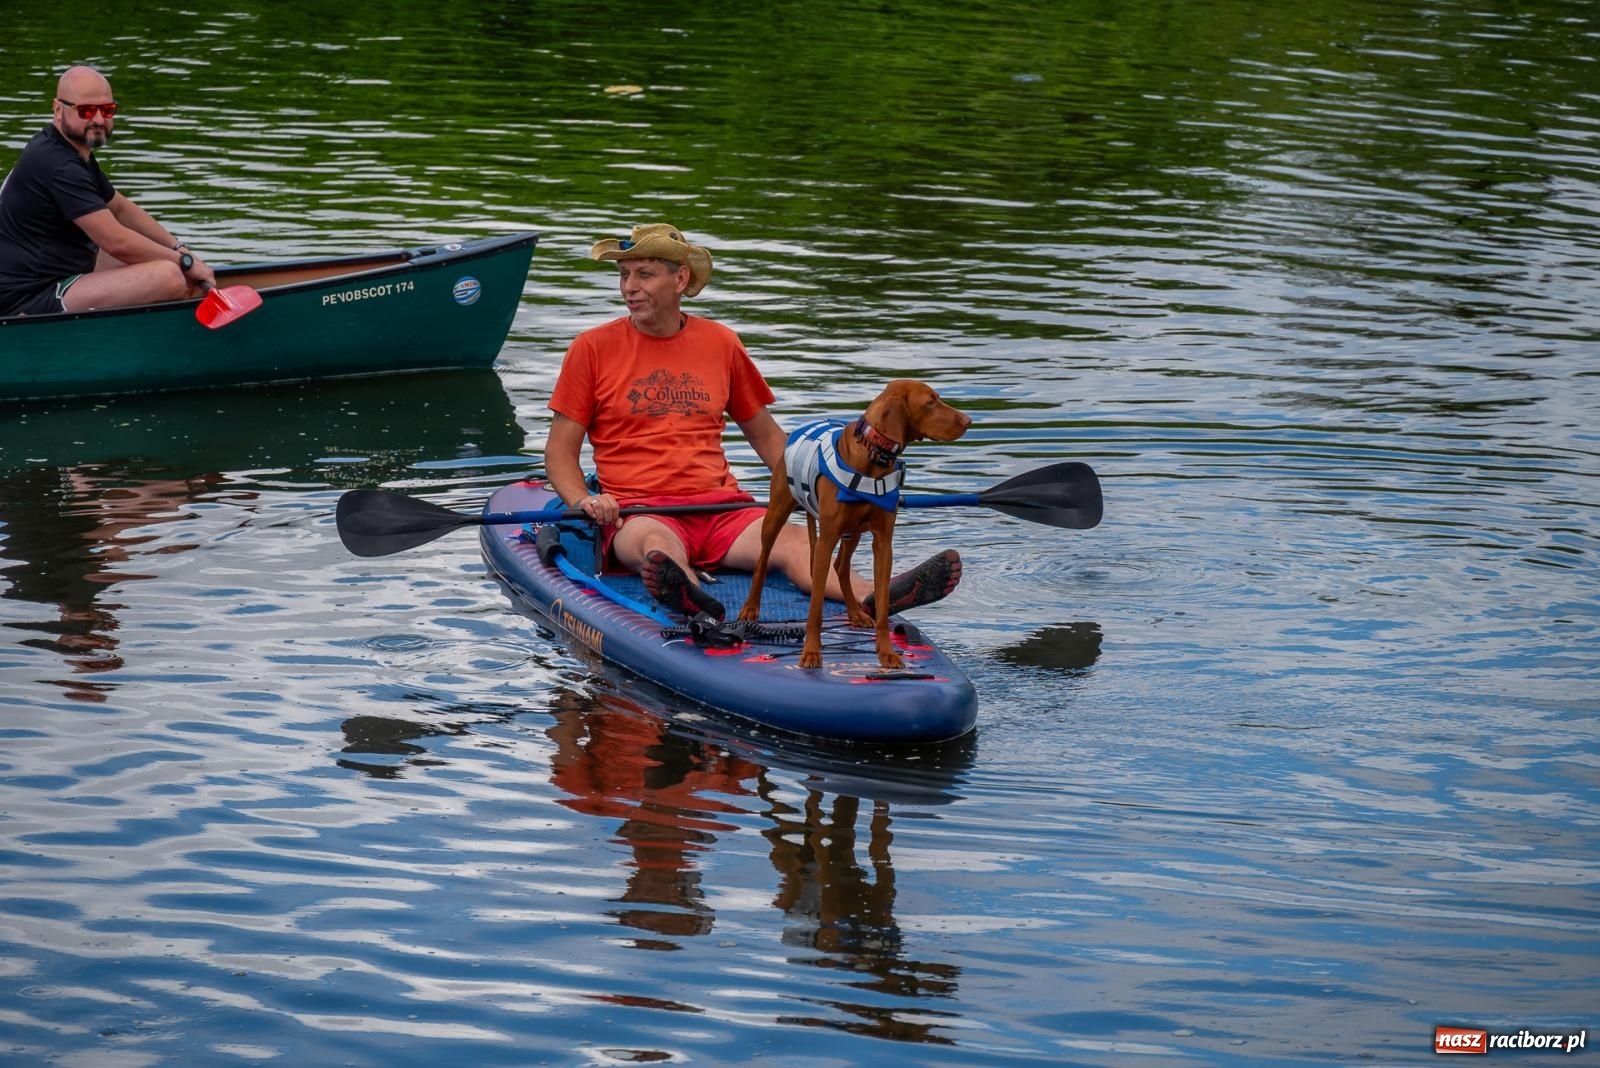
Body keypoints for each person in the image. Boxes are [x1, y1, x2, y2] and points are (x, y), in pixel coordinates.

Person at [543, 222, 961, 619]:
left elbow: (768, 438)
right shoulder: (591, 348)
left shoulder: (720, 343)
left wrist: (834, 484)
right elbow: (560, 453)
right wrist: (585, 501)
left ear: (681, 280)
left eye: (645, 275)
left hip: (723, 510)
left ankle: (877, 597)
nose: (630, 288)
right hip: (642, 512)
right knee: (657, 549)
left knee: (797, 540)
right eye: (624, 275)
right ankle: (696, 604)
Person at [0, 64, 217, 318]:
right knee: (168, 275)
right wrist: (183, 263)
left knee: (159, 261)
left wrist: (179, 248)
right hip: (24, 298)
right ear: (58, 109)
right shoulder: (57, 164)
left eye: (107, 110)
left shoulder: (70, 151)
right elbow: (117, 242)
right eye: (87, 111)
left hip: (52, 273)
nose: (99, 120)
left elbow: (120, 208)